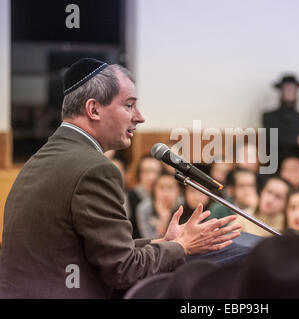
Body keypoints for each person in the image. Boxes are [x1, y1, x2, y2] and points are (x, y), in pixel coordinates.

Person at [0, 58, 241, 298]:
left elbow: (88, 250)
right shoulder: (94, 169)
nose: (139, 117)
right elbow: (123, 269)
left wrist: (165, 243)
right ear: (93, 109)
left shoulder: (43, 157)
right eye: (128, 105)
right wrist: (181, 247)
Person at [262, 74, 299, 176]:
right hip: (276, 162)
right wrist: (297, 140)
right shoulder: (269, 116)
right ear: (281, 91)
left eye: (292, 89)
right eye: (287, 89)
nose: (290, 91)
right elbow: (270, 138)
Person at [135, 172, 182, 239]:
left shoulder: (183, 205)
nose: (166, 193)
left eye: (170, 187)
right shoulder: (144, 208)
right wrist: (164, 219)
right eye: (161, 187)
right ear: (154, 190)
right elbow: (149, 239)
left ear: (178, 190)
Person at [126, 153, 163, 238]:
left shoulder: (167, 196)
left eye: (155, 172)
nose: (151, 177)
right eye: (146, 172)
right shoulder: (129, 197)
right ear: (139, 174)